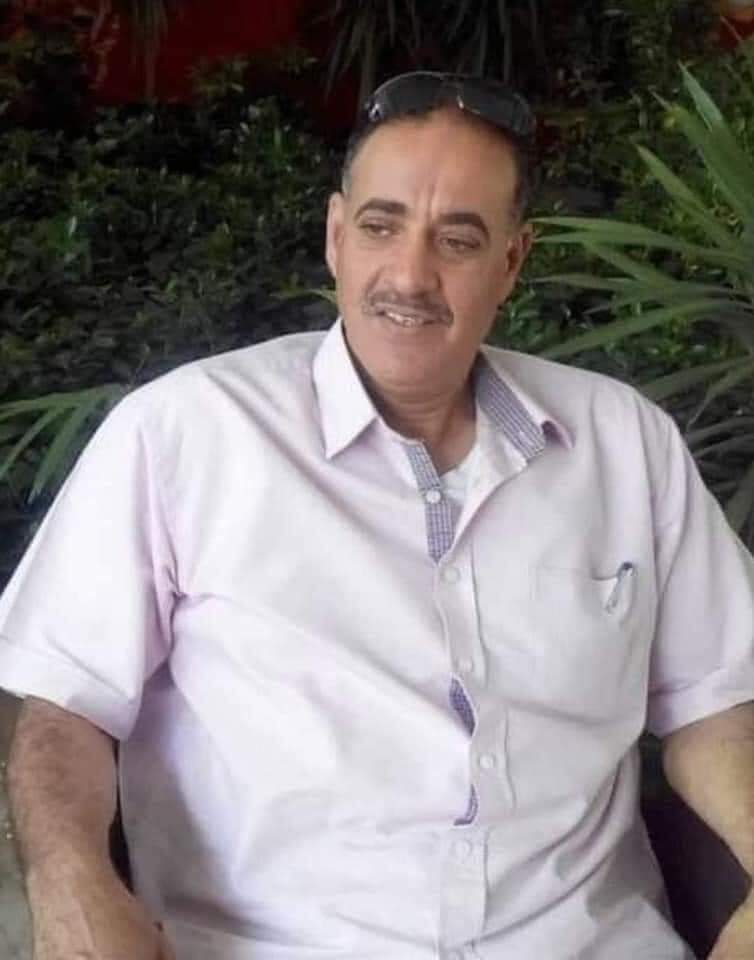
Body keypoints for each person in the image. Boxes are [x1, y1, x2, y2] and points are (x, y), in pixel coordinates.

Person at [1, 72, 754, 960]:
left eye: (458, 239)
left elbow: (718, 705)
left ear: (512, 262)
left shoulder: (624, 442)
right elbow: (63, 707)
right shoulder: (185, 434)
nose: (409, 275)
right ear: (335, 237)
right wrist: (69, 882)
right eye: (380, 226)